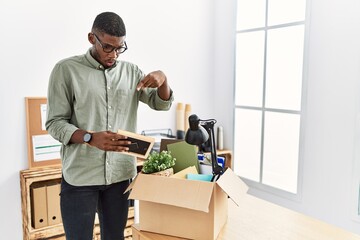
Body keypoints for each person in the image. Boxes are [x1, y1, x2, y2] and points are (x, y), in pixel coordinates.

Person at [46, 12, 174, 240]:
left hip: (119, 177)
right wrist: (89, 138)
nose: (114, 54)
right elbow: (54, 123)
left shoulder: (132, 72)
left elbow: (160, 104)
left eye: (120, 48)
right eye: (108, 47)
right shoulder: (65, 70)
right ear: (91, 38)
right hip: (80, 177)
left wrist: (163, 78)